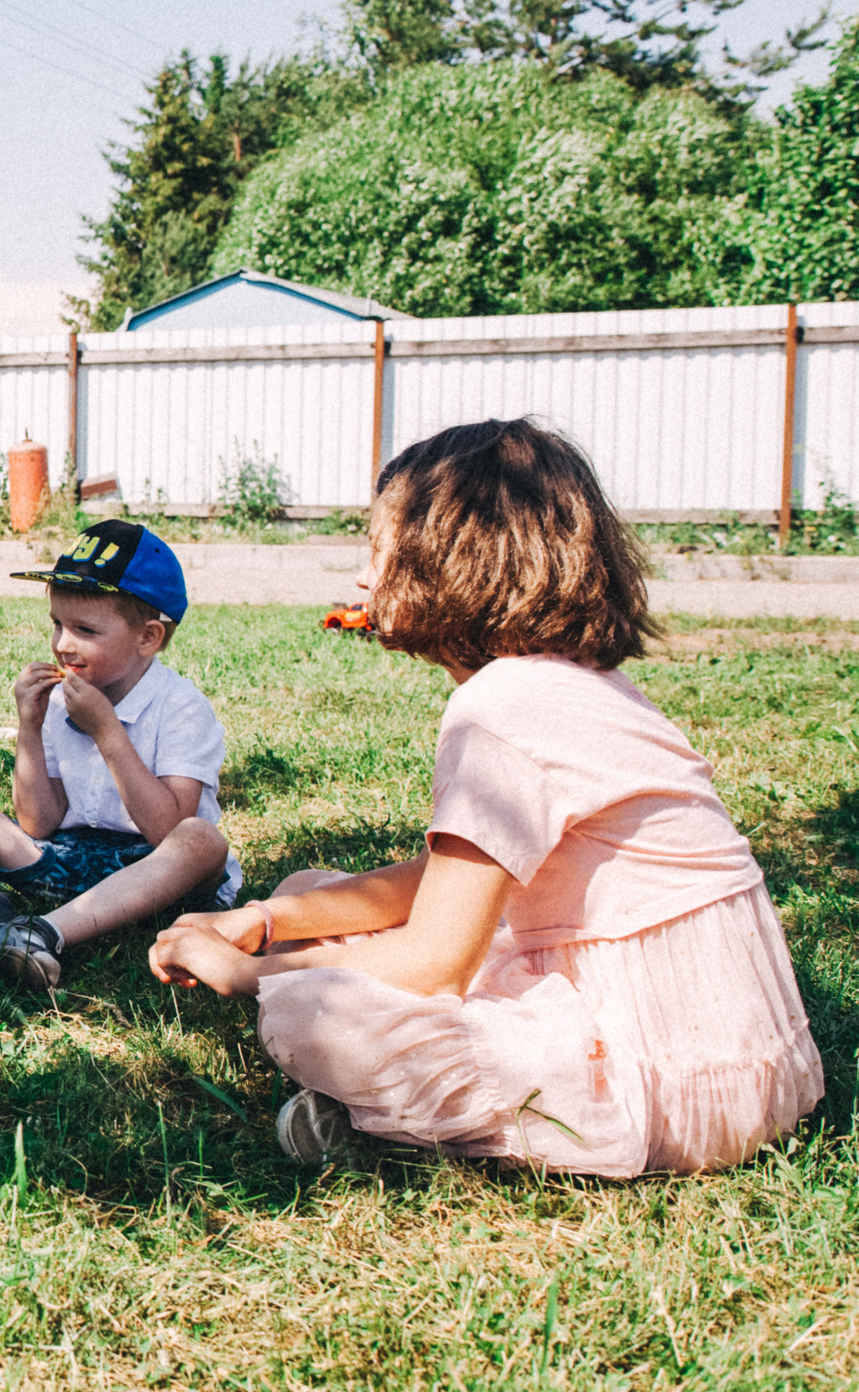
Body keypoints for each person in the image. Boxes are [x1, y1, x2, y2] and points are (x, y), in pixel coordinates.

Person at [150, 419, 824, 1175]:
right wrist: (265, 919)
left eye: (378, 549)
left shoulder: (502, 707)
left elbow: (436, 959)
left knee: (315, 1014)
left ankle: (389, 1115)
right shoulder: (570, 681)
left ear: (449, 558)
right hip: (728, 1048)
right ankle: (375, 1097)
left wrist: (247, 976)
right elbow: (445, 883)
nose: (364, 578)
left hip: (670, 1073)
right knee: (307, 891)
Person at [0, 518, 233, 992]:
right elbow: (38, 824)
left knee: (202, 840)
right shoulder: (63, 697)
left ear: (148, 637)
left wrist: (107, 731)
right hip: (70, 862)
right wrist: (30, 727)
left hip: (157, 878)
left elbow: (167, 829)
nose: (62, 644)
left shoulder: (181, 708)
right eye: (57, 623)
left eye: (84, 629)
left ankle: (43, 933)